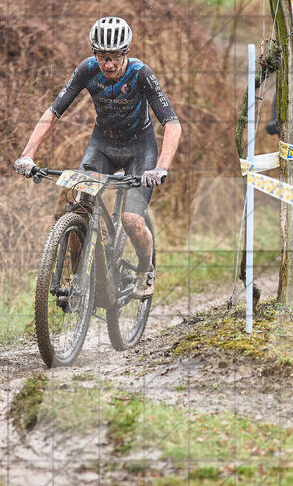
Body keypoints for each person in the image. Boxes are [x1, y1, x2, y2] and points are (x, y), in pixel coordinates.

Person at [14, 16, 182, 299]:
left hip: (140, 149)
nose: (108, 65)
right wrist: (27, 154)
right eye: (102, 57)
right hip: (102, 146)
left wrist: (161, 167)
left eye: (115, 57)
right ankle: (78, 283)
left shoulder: (142, 74)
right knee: (79, 208)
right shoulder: (86, 70)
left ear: (126, 52)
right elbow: (53, 112)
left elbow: (172, 123)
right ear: (94, 54)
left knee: (130, 220)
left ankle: (145, 267)